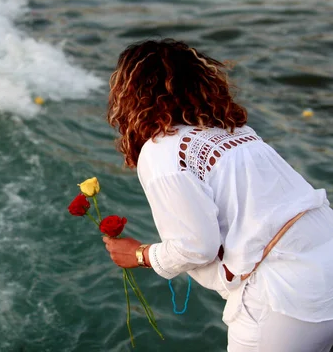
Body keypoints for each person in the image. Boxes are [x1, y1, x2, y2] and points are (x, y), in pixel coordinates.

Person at [102, 39, 333, 351]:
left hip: (287, 296)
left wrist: (141, 255)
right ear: (202, 82)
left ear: (130, 98)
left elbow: (197, 247)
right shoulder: (237, 133)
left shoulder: (163, 151)